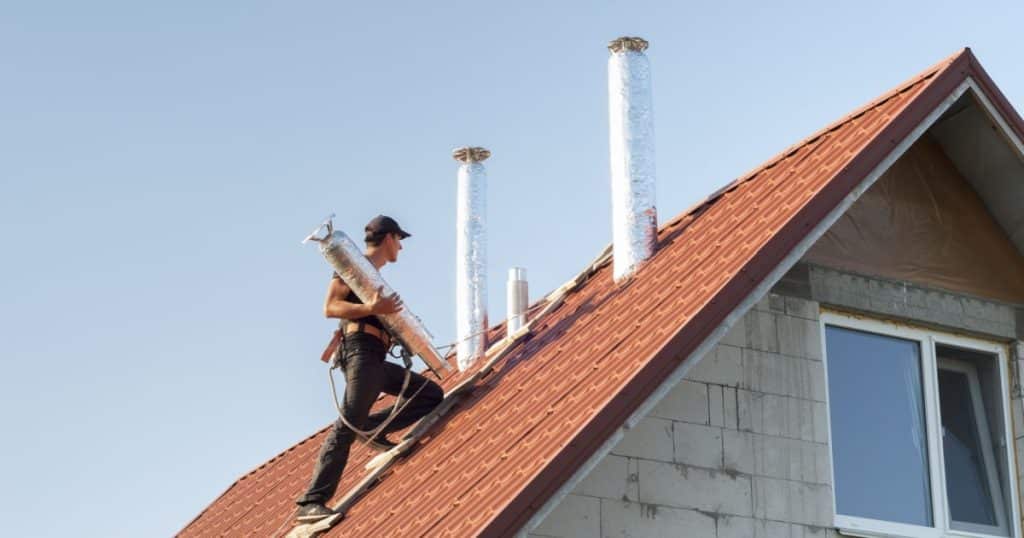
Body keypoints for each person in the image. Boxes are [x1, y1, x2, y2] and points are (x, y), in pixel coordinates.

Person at [295, 215, 445, 522]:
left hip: (375, 356)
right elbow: (331, 307)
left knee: (429, 394)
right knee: (348, 424)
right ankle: (312, 501)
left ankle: (372, 430)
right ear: (390, 238)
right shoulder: (351, 267)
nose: (400, 248)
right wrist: (372, 309)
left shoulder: (370, 275)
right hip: (360, 353)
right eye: (399, 241)